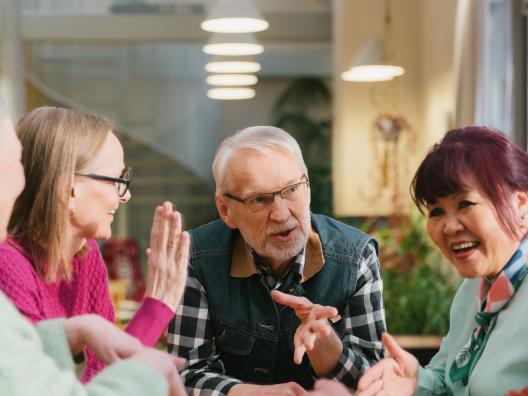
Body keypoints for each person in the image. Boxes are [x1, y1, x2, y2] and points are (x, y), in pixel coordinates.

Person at [168, 126, 386, 395]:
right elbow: (184, 375)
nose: (282, 215)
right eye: (259, 199)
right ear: (226, 210)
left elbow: (376, 384)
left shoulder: (355, 256)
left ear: (307, 187)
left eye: (292, 189)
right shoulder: (196, 257)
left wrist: (327, 346)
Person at [0, 98, 185, 396]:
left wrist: (156, 308)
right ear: (69, 188)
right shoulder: (7, 264)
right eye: (117, 181)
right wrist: (153, 312)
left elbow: (103, 374)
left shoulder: (86, 257)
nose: (125, 197)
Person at [356, 126, 528, 396]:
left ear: (520, 204)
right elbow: (450, 381)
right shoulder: (473, 290)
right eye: (436, 211)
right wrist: (414, 382)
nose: (449, 227)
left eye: (465, 204)